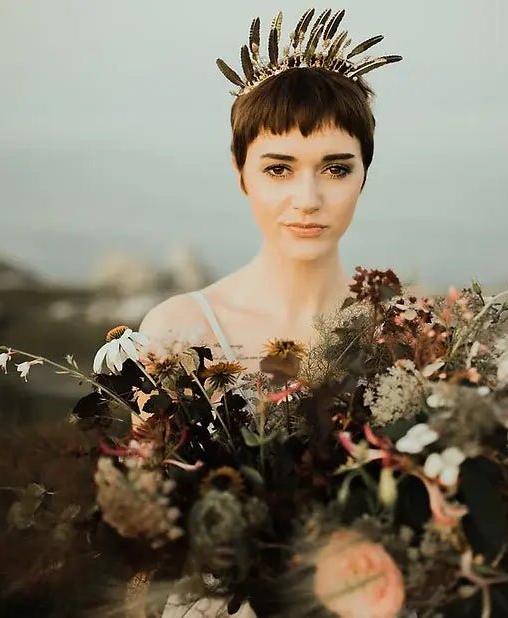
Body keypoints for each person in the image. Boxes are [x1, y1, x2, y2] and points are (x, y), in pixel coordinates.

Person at [134, 8, 402, 617]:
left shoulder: (410, 340)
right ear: (241, 174)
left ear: (366, 174)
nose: (307, 200)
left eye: (336, 168)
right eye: (278, 169)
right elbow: (141, 531)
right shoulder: (179, 332)